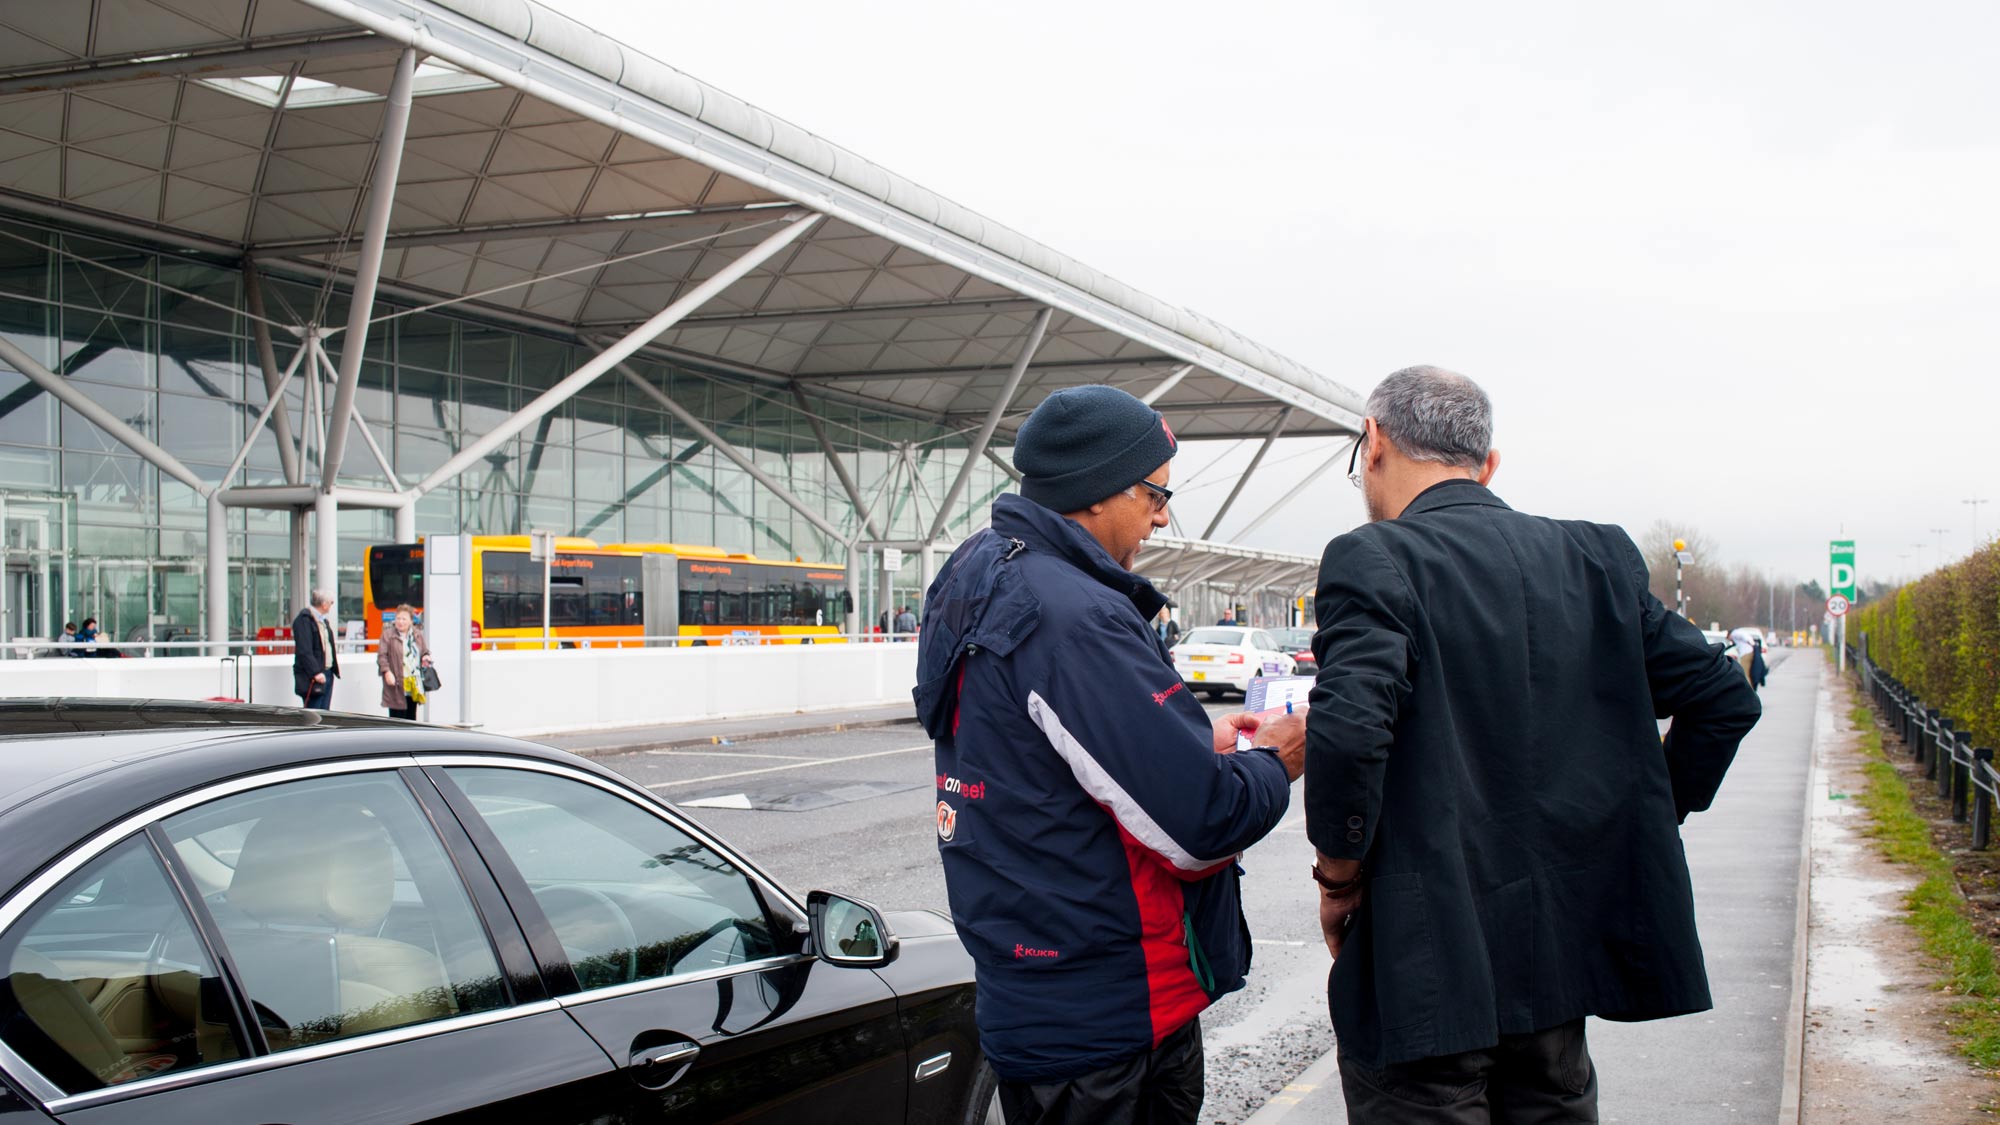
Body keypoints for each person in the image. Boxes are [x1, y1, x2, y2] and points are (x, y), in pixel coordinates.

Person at [1306, 366, 1762, 1121]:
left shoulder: (1373, 558)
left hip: (1423, 974)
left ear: (1375, 441)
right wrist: (1637, 815)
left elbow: (1352, 732)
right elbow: (1722, 698)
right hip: (1556, 969)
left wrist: (1339, 877)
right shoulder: (1596, 559)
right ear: (1487, 465)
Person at [913, 384, 1307, 1125]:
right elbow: (1201, 826)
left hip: (1033, 989)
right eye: (1156, 493)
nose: (1162, 515)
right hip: (1108, 1018)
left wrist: (1196, 741)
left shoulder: (980, 570)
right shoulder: (1073, 614)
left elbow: (1043, 755)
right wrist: (1274, 761)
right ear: (1098, 492)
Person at [378, 604, 433, 720]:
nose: (400, 622)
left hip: (413, 683)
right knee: (396, 719)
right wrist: (387, 672)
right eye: (398, 618)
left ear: (410, 621)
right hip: (397, 683)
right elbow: (382, 656)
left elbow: (424, 651)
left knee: (411, 717)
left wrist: (426, 657)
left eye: (404, 619)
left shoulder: (417, 635)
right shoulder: (388, 635)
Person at [291, 590, 340, 710]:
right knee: (314, 714)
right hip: (314, 677)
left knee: (325, 713)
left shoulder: (322, 621)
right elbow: (304, 650)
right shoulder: (304, 620)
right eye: (331, 602)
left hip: (327, 673)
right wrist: (316, 672)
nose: (331, 605)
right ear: (324, 604)